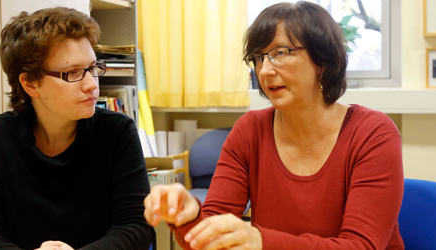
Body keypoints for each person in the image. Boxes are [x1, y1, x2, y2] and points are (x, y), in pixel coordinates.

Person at [143, 1, 404, 250]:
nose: (265, 70)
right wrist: (189, 216)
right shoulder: (249, 130)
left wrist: (260, 242)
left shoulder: (373, 133)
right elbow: (212, 239)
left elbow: (361, 246)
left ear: (322, 61)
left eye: (280, 53)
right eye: (257, 58)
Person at [0, 7, 154, 250]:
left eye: (93, 68)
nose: (91, 84)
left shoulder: (117, 131)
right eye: (73, 73)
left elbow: (137, 225)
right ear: (30, 84)